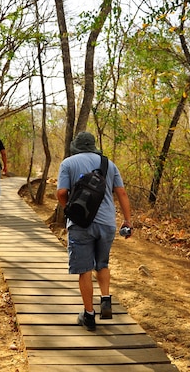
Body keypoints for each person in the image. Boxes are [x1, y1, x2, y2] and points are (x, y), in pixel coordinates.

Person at [56, 131, 132, 331]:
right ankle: (105, 299)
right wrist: (127, 220)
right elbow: (122, 193)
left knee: (85, 270)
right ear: (93, 146)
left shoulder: (68, 163)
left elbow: (62, 192)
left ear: (76, 147)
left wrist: (69, 209)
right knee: (102, 264)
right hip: (107, 223)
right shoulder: (109, 164)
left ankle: (89, 316)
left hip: (81, 224)